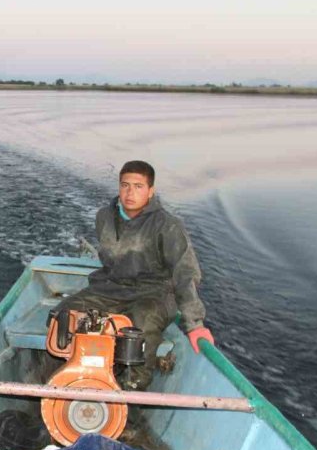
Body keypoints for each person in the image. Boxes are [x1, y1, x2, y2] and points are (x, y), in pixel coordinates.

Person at [51, 160, 214, 389]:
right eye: (125, 185)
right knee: (64, 316)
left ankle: (133, 388)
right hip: (109, 289)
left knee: (141, 322)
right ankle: (66, 377)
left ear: (150, 191)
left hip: (155, 294)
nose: (130, 193)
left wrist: (195, 324)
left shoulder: (168, 225)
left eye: (138, 186)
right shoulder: (104, 217)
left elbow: (185, 273)